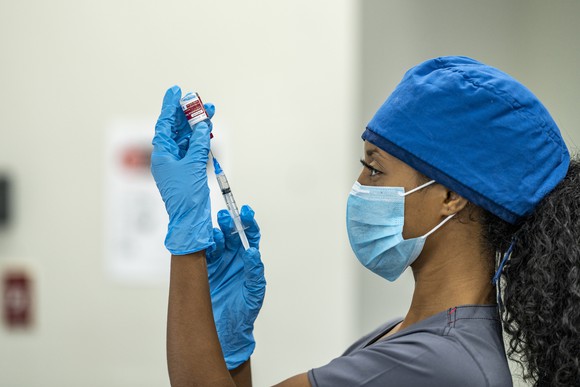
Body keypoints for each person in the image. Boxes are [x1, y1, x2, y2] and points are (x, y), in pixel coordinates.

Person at [150, 56, 580, 387]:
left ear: (451, 196)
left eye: (374, 168)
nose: (359, 184)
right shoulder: (410, 334)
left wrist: (187, 238)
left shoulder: (438, 364)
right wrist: (231, 348)